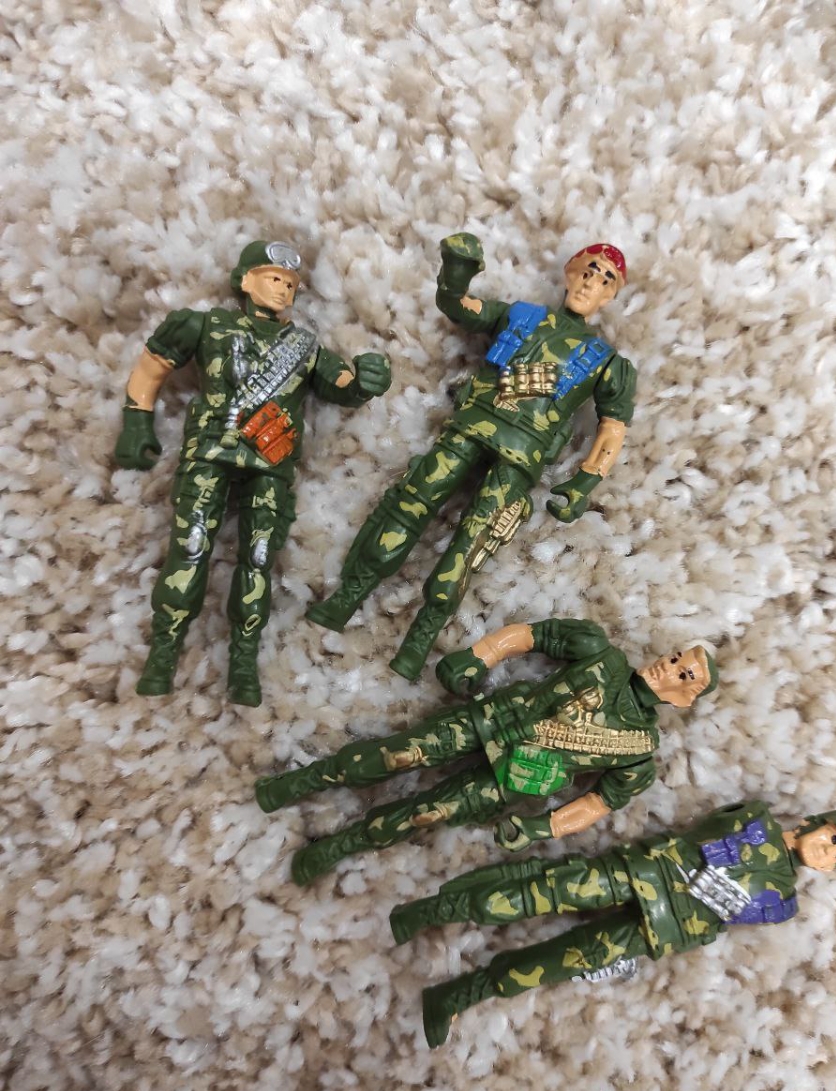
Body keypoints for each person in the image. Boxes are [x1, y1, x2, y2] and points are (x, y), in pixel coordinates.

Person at [306, 233, 636, 680]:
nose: (590, 284)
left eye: (605, 280)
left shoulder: (606, 362)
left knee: (472, 545)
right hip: (469, 427)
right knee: (408, 505)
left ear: (610, 295)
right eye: (588, 272)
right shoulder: (521, 316)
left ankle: (420, 638)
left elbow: (613, 426)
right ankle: (348, 597)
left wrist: (585, 480)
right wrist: (456, 272)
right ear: (570, 273)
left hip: (521, 455)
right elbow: (460, 306)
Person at [114, 240, 391, 705]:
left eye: (290, 284)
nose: (282, 289)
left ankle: (243, 663)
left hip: (271, 461)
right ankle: (163, 653)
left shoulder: (303, 347)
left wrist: (366, 380)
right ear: (245, 280)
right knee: (190, 548)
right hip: (210, 452)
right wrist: (137, 422)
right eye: (273, 278)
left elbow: (342, 384)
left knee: (259, 558)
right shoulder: (206, 325)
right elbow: (152, 367)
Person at [254, 617, 718, 883]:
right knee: (397, 754)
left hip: (516, 778)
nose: (669, 666)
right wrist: (480, 655)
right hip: (492, 721)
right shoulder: (600, 652)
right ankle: (301, 781)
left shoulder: (639, 752)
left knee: (426, 814)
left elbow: (597, 803)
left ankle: (342, 845)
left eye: (684, 674)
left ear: (686, 697)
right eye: (677, 658)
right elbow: (533, 634)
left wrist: (540, 828)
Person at [388, 801, 836, 1047]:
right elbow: (705, 835)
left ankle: (456, 996)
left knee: (557, 963)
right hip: (646, 873)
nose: (828, 852)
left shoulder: (782, 901)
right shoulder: (756, 820)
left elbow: (726, 913)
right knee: (535, 894)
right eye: (832, 839)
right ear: (814, 822)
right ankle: (424, 913)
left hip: (668, 926)